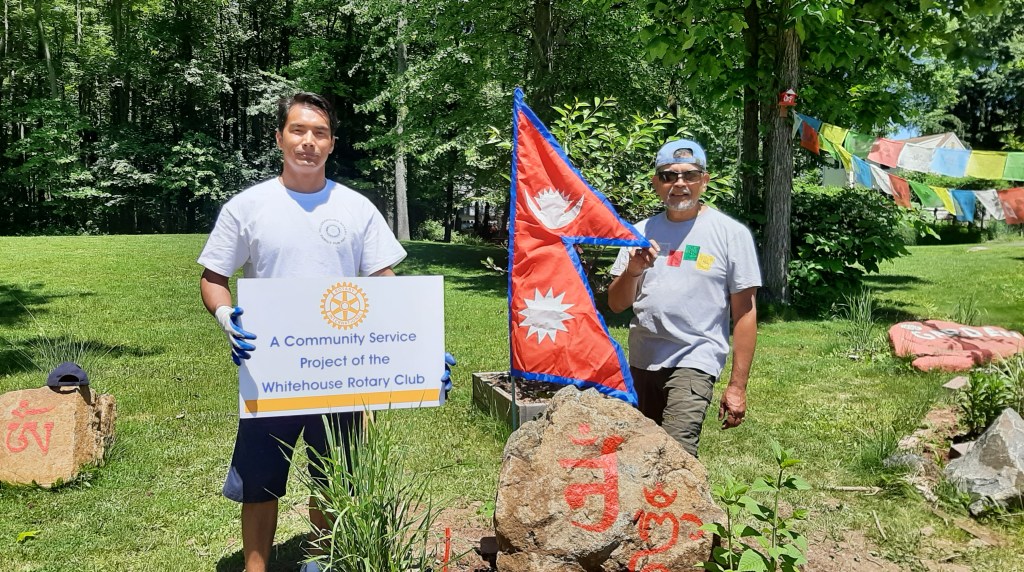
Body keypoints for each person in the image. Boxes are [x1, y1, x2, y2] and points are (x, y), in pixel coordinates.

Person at [198, 92, 450, 572]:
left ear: (332, 143)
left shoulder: (356, 208)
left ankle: (321, 558)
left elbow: (384, 283)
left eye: (320, 133)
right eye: (298, 130)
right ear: (279, 138)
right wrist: (226, 315)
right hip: (272, 371)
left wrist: (421, 350)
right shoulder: (247, 207)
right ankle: (256, 566)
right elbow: (213, 277)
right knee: (259, 479)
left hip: (341, 371)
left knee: (335, 476)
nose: (308, 142)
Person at [607, 138, 761, 458]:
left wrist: (737, 386)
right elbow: (616, 304)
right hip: (643, 359)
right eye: (668, 176)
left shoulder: (730, 234)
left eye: (689, 175)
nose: (679, 183)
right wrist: (633, 270)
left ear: (704, 180)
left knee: (676, 453)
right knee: (639, 453)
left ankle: (683, 493)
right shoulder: (639, 232)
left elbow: (745, 313)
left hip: (695, 358)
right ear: (656, 183)